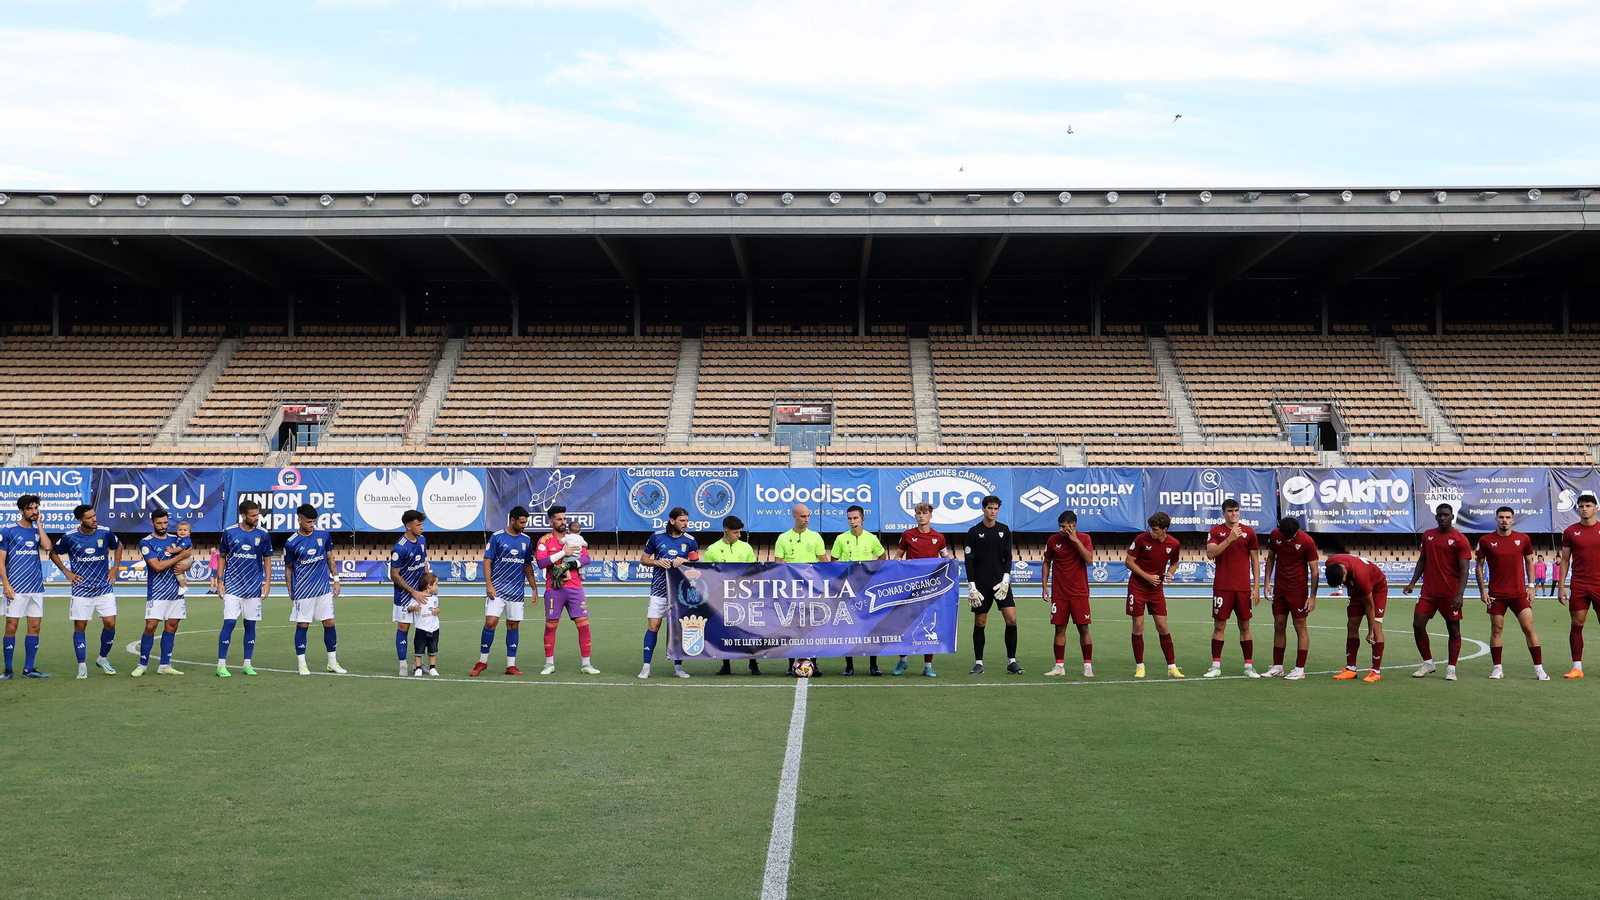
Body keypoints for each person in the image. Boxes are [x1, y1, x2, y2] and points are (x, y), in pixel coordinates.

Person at [1474, 506, 1547, 681]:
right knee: (1496, 630)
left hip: (1519, 594)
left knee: (1528, 628)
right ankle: (1497, 669)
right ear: (1496, 519)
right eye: (1501, 517)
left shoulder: (1523, 539)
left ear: (1513, 520)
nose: (1504, 520)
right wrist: (1482, 590)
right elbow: (1479, 565)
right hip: (1496, 595)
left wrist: (1531, 586)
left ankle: (1539, 669)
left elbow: (1529, 562)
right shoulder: (1486, 540)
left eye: (1508, 517)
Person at [49, 503, 122, 679]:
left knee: (110, 623)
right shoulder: (70, 537)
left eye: (94, 516)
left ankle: (102, 659)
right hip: (81, 589)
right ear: (80, 521)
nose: (94, 519)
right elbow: (53, 553)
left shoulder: (105, 532)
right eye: (89, 518)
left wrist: (115, 568)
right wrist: (66, 572)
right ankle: (82, 666)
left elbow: (118, 545)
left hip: (104, 587)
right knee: (80, 626)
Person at [1404, 503, 1472, 680]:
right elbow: (1422, 560)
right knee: (1418, 625)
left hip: (1450, 593)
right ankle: (1428, 662)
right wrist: (1412, 583)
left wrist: (1460, 594)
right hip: (1428, 591)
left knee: (1453, 629)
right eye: (1439, 515)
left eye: (1446, 515)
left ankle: (1451, 668)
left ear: (1452, 517)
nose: (1442, 518)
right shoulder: (1428, 536)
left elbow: (1464, 569)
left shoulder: (1460, 539)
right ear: (1435, 517)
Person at [283, 503, 345, 676]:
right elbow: (289, 568)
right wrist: (290, 591)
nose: (312, 525)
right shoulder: (291, 543)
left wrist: (336, 580)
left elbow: (330, 558)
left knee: (329, 622)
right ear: (299, 520)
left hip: (323, 588)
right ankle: (302, 664)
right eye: (309, 522)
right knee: (303, 624)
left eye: (313, 522)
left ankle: (332, 662)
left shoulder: (323, 535)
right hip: (303, 591)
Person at [536, 505, 598, 676]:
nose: (563, 522)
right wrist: (563, 553)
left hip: (575, 587)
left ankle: (586, 664)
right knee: (551, 626)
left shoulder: (573, 538)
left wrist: (569, 564)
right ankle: (549, 664)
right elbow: (541, 563)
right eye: (559, 519)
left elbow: (586, 558)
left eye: (564, 519)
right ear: (551, 522)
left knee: (584, 625)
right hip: (554, 588)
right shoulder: (545, 541)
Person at [1203, 498, 1262, 678]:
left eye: (1236, 510)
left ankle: (1249, 666)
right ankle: (1215, 666)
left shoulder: (1249, 532)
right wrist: (1229, 539)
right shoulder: (1216, 531)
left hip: (1243, 588)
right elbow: (1210, 554)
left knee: (1245, 626)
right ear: (1224, 513)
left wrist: (1256, 587)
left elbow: (1255, 560)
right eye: (1230, 511)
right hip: (1222, 587)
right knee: (1219, 625)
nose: (1234, 514)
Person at [473, 506, 535, 677]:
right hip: (498, 589)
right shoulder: (497, 537)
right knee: (490, 622)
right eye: (521, 522)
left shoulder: (526, 540)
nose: (524, 525)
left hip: (516, 591)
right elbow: (487, 561)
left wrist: (534, 588)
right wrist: (489, 585)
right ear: (512, 520)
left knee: (513, 625)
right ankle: (482, 661)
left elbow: (527, 565)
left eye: (525, 522)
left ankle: (511, 665)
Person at [639, 507, 700, 679]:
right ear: (672, 521)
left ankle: (678, 667)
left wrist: (685, 561)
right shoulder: (656, 537)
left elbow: (697, 565)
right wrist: (657, 562)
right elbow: (643, 559)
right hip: (659, 591)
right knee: (653, 626)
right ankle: (646, 667)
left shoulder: (690, 541)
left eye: (687, 521)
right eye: (682, 521)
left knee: (679, 628)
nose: (685, 524)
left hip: (680, 592)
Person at [214, 499, 272, 678]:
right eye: (253, 515)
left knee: (250, 625)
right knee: (229, 623)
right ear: (243, 516)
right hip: (232, 585)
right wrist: (220, 581)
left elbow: (267, 559)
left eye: (257, 515)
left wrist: (267, 583)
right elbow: (222, 556)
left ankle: (247, 664)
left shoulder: (263, 534)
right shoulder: (229, 532)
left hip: (253, 587)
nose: (257, 518)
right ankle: (221, 664)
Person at [966, 495, 1021, 675]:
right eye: (990, 508)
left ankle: (1012, 661)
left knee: (1012, 619)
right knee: (980, 622)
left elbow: (1008, 557)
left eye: (996, 508)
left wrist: (1006, 579)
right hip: (981, 584)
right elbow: (969, 560)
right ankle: (978, 663)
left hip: (1001, 583)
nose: (993, 511)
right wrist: (972, 586)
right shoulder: (973, 532)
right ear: (983, 509)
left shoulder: (1004, 530)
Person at [893, 501, 948, 678]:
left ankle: (928, 666)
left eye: (924, 513)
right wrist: (898, 563)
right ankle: (903, 660)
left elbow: (946, 558)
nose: (921, 516)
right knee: (904, 623)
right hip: (909, 589)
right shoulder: (907, 535)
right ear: (915, 515)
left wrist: (951, 564)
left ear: (930, 515)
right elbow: (898, 556)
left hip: (930, 590)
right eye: (918, 513)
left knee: (929, 624)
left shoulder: (939, 538)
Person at [1125, 511, 1183, 679]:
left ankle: (1172, 667)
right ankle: (1140, 667)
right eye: (1150, 528)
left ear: (1165, 530)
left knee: (1162, 626)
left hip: (1156, 590)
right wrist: (1147, 577)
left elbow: (1174, 562)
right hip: (1137, 587)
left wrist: (1170, 573)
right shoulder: (1141, 539)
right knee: (1138, 626)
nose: (1151, 532)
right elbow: (1128, 561)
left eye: (1155, 529)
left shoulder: (1174, 544)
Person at [0, 494, 53, 678]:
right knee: (11, 626)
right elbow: (1, 560)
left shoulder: (37, 531)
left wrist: (39, 524)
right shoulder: (8, 531)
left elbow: (47, 546)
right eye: (29, 508)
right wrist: (5, 584)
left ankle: (28, 669)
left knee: (35, 627)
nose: (34, 511)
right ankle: (8, 670)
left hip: (35, 588)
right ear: (21, 511)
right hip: (15, 587)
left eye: (36, 508)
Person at [133, 508, 190, 676]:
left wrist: (185, 566)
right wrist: (178, 558)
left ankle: (164, 665)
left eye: (165, 522)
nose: (163, 526)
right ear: (152, 523)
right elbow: (157, 566)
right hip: (157, 592)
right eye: (159, 523)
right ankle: (142, 665)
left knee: (172, 626)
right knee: (150, 626)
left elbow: (189, 559)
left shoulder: (176, 539)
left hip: (175, 592)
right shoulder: (146, 542)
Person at [774, 503, 829, 676]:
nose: (807, 519)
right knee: (792, 627)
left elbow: (824, 563)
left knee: (811, 627)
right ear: (794, 517)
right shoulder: (783, 538)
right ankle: (791, 664)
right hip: (790, 590)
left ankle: (814, 663)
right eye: (803, 516)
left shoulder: (815, 537)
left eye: (808, 516)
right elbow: (777, 565)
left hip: (811, 590)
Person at [701, 515, 760, 676]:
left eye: (740, 532)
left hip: (744, 595)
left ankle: (753, 663)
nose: (739, 535)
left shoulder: (746, 548)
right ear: (726, 531)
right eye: (735, 532)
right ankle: (726, 664)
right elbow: (705, 573)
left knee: (749, 629)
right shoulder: (712, 549)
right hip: (722, 597)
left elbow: (754, 570)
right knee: (725, 629)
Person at [1261, 516, 1319, 680]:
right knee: (1279, 624)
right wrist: (1267, 583)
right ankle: (1278, 666)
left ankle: (1299, 669)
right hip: (1280, 589)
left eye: (1290, 537)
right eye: (1285, 536)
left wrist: (1312, 596)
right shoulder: (1275, 535)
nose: (1287, 539)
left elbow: (1314, 570)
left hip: (1298, 591)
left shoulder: (1307, 541)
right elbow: (1271, 558)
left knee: (1300, 626)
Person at [832, 504, 886, 676]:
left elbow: (882, 556)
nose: (852, 521)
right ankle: (849, 666)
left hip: (867, 589)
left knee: (870, 625)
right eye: (849, 518)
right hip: (848, 589)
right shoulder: (841, 539)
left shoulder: (872, 539)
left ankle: (874, 665)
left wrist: (872, 571)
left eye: (855, 518)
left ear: (863, 519)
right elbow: (833, 561)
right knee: (848, 626)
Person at [1041, 510, 1093, 678]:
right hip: (1059, 593)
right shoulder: (1053, 540)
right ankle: (1059, 666)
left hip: (1079, 593)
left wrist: (1075, 540)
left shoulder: (1084, 538)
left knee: (1083, 628)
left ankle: (1087, 666)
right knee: (1059, 629)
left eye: (1064, 527)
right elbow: (1047, 562)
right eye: (1060, 526)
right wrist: (1044, 587)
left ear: (1073, 525)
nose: (1061, 530)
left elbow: (1089, 559)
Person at [1324, 553, 1387, 682]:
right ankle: (1351, 669)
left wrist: (1370, 632)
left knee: (1376, 627)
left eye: (1342, 582)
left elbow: (1370, 606)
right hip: (1355, 588)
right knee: (1352, 624)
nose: (1342, 584)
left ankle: (1376, 671)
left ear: (1344, 573)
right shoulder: (1330, 563)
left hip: (1376, 588)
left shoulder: (1361, 576)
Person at [1557, 492, 1600, 678]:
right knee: (1576, 624)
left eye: (1588, 506)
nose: (1584, 509)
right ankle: (1577, 668)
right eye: (1581, 506)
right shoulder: (1570, 532)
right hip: (1579, 585)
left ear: (1596, 508)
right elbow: (1565, 560)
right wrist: (1561, 586)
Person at [390, 510, 430, 677]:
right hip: (405, 596)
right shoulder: (400, 548)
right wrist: (413, 591)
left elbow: (423, 563)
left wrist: (427, 586)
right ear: (408, 526)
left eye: (422, 524)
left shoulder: (422, 540)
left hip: (421, 594)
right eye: (418, 524)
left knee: (422, 628)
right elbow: (394, 575)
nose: (421, 527)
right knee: (404, 627)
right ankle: (403, 665)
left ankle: (417, 664)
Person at [410, 571, 442, 676]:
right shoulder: (418, 597)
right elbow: (409, 608)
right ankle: (418, 668)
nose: (437, 586)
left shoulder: (434, 598)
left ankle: (432, 668)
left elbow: (436, 608)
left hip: (433, 627)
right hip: (421, 627)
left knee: (433, 649)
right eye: (436, 584)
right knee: (419, 649)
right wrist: (414, 608)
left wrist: (437, 610)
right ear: (429, 585)